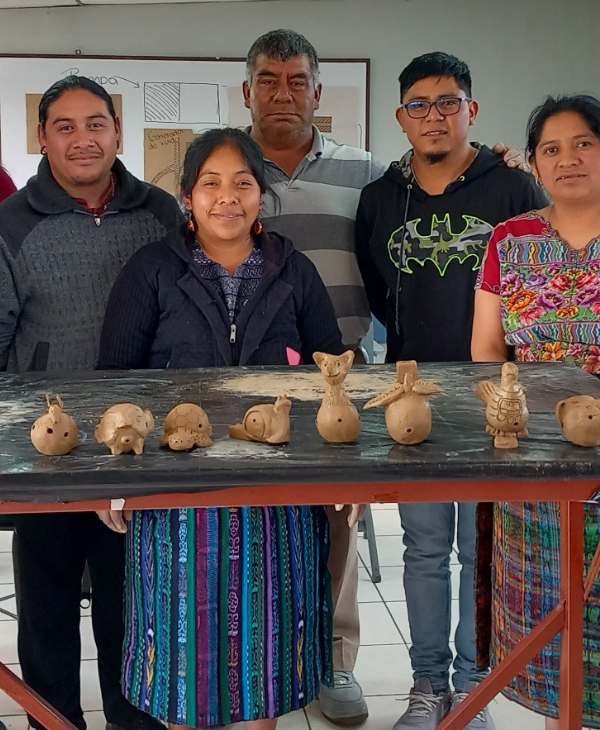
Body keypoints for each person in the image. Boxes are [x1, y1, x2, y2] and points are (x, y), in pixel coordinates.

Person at [95, 127, 364, 730]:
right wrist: (112, 478)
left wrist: (347, 469)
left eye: (243, 183)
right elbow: (113, 382)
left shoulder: (292, 269)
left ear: (260, 195)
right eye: (210, 184)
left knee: (262, 665)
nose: (227, 198)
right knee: (186, 667)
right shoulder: (152, 269)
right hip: (177, 502)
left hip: (277, 500)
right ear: (187, 197)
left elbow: (332, 373)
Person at [355, 52, 546, 730]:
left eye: (448, 102)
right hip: (417, 394)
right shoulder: (381, 198)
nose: (434, 115)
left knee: (482, 546)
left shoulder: (514, 190)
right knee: (426, 549)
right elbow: (378, 292)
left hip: (496, 395)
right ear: (402, 116)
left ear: (473, 109)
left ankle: (474, 686)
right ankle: (427, 684)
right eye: (419, 105)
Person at [0, 76, 181, 730]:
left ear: (117, 132)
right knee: (46, 616)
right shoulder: (10, 225)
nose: (83, 139)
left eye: (96, 123)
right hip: (43, 452)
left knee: (131, 614)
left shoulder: (161, 212)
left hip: (138, 449)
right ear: (42, 136)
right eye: (66, 126)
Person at [242, 29, 386, 724]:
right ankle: (260, 655)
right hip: (249, 377)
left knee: (336, 517)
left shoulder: (366, 172)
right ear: (248, 92)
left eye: (297, 80)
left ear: (318, 92)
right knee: (255, 521)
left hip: (342, 371)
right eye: (269, 80)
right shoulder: (227, 171)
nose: (283, 93)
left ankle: (333, 660)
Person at [472, 94, 600, 730]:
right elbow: (488, 354)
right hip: (536, 475)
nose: (567, 158)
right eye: (551, 148)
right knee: (557, 646)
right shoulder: (510, 241)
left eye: (583, 143)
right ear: (534, 163)